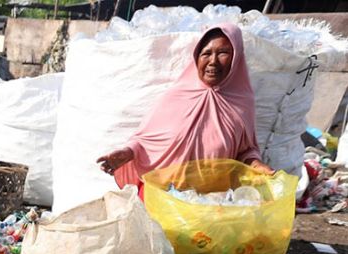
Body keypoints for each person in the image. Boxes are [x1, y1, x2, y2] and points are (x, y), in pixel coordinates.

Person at [96, 23, 274, 196]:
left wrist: (256, 165)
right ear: (196, 58)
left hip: (208, 202)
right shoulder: (177, 96)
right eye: (206, 53)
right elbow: (145, 139)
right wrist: (128, 152)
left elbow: (245, 150)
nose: (213, 61)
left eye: (223, 53)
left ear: (236, 58)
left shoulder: (241, 103)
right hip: (161, 195)